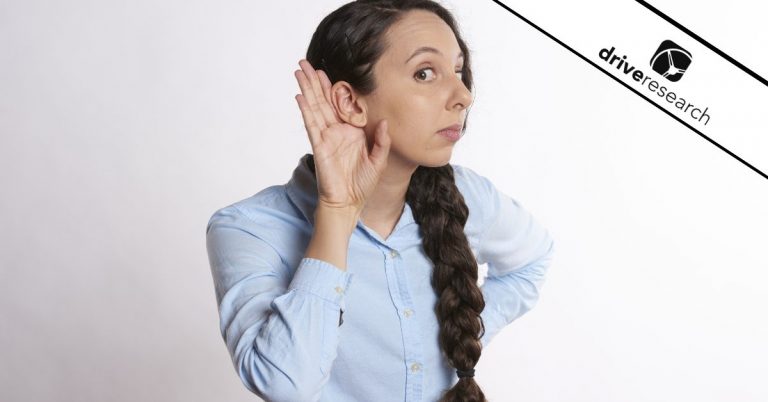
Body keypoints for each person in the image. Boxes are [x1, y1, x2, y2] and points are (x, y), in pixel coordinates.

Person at [205, 1, 556, 401]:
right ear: (351, 103)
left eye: (458, 71)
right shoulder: (249, 228)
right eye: (425, 73)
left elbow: (533, 260)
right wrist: (337, 213)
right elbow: (286, 387)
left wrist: (454, 338)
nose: (463, 96)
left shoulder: (469, 196)